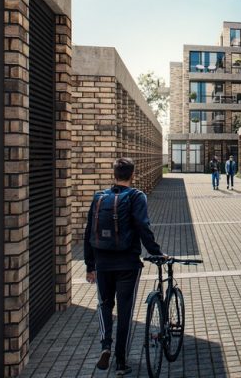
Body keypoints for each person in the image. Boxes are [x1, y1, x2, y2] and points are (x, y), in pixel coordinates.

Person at [85, 157, 164, 377]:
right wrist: (156, 252)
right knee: (125, 311)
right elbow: (142, 226)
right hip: (127, 263)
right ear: (132, 174)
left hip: (102, 262)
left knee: (104, 305)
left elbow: (89, 231)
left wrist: (89, 265)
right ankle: (120, 362)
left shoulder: (99, 197)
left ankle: (105, 346)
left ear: (114, 174)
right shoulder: (137, 196)